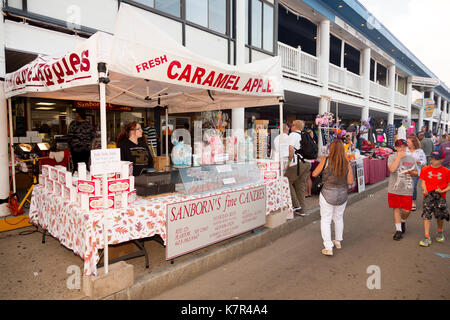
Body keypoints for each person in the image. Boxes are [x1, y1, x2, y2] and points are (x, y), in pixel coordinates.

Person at [312, 139, 354, 256]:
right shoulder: (347, 163)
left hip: (327, 193)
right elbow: (350, 181)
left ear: (331, 149)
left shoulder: (325, 161)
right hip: (342, 194)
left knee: (326, 219)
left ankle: (328, 246)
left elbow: (314, 174)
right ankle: (338, 241)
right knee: (338, 217)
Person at [387, 139, 418, 241]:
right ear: (395, 148)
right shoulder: (391, 157)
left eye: (404, 147)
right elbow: (392, 169)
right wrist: (399, 158)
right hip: (394, 188)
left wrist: (410, 172)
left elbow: (416, 173)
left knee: (407, 210)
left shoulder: (411, 158)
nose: (402, 149)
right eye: (399, 147)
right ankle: (398, 230)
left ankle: (403, 220)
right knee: (396, 208)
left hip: (407, 188)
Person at [418, 149, 450, 247]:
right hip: (428, 196)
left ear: (442, 160)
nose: (433, 160)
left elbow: (449, 185)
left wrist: (443, 191)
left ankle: (440, 232)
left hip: (440, 196)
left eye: (436, 159)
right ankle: (427, 236)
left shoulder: (447, 171)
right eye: (432, 158)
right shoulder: (425, 169)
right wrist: (424, 189)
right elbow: (423, 182)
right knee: (426, 216)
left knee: (440, 216)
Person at [286, 120, 311, 214]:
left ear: (294, 126)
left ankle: (296, 204)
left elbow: (291, 148)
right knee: (300, 186)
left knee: (286, 180)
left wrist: (289, 161)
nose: (291, 126)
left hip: (298, 163)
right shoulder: (305, 135)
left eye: (292, 125)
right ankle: (302, 210)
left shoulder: (293, 135)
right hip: (307, 163)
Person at [67, 108, 96, 172]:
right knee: (84, 166)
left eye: (76, 113)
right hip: (85, 149)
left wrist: (70, 146)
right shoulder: (88, 124)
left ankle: (76, 179)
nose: (75, 114)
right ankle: (85, 179)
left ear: (78, 114)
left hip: (76, 149)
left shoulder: (73, 124)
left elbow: (69, 136)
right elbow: (93, 136)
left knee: (76, 167)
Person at [406, 135, 427, 211]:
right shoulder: (405, 150)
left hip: (415, 172)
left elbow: (424, 162)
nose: (407, 143)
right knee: (406, 186)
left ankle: (412, 201)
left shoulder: (420, 151)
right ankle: (406, 200)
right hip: (405, 172)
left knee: (413, 186)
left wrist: (419, 162)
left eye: (408, 142)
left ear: (413, 143)